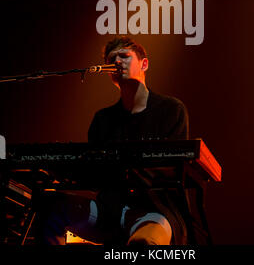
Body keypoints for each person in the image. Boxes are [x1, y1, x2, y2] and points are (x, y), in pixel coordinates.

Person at [38, 36, 190, 245]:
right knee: (49, 207)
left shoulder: (171, 110)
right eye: (112, 59)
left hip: (153, 209)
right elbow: (93, 174)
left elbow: (172, 168)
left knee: (144, 243)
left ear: (144, 64)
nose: (117, 62)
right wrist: (61, 164)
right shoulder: (103, 119)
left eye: (124, 56)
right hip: (109, 210)